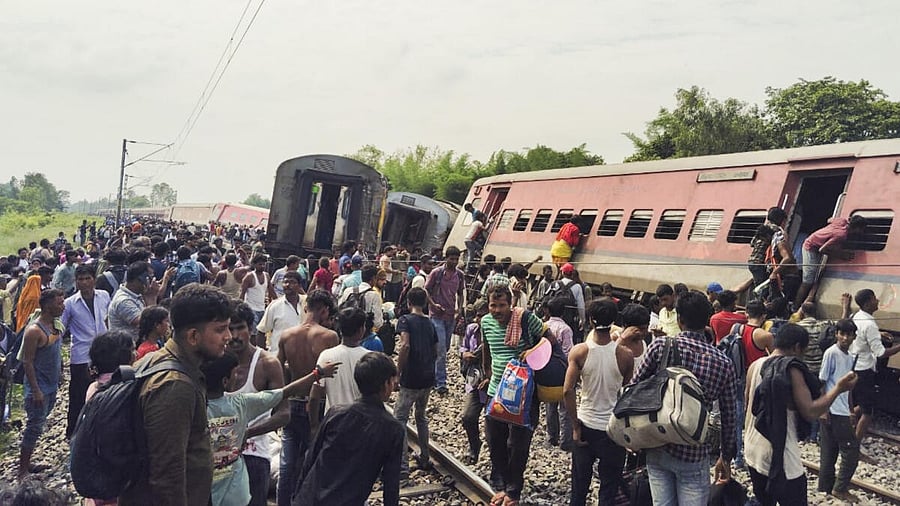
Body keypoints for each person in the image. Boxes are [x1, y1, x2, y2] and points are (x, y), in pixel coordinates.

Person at [120, 284, 232, 505]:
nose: (228, 336)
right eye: (220, 329)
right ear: (193, 336)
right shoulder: (175, 387)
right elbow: (167, 475)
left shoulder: (156, 359)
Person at [631, 291, 738, 505]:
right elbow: (729, 416)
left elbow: (634, 390)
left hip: (658, 443)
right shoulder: (722, 362)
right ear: (707, 321)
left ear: (679, 320)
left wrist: (633, 434)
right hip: (694, 452)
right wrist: (726, 456)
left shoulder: (660, 347)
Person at [203, 349, 337, 506]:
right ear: (225, 381)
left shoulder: (195, 408)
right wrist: (318, 373)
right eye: (235, 374)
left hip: (206, 491)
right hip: (236, 494)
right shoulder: (240, 405)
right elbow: (286, 391)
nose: (238, 377)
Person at [744, 323, 858, 506]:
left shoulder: (755, 366)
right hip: (780, 458)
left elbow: (748, 407)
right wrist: (838, 388)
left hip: (752, 449)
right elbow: (811, 411)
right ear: (797, 347)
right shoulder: (791, 369)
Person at [294, 352, 405, 506]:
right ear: (386, 385)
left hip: (309, 499)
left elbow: (311, 458)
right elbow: (391, 484)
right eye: (393, 381)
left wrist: (297, 495)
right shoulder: (393, 429)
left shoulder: (336, 413)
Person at [480, 285, 548, 506]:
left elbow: (550, 340)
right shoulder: (485, 322)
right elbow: (487, 350)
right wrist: (487, 373)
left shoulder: (525, 318)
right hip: (496, 392)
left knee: (518, 443)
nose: (497, 310)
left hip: (525, 394)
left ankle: (513, 490)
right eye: (493, 305)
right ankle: (500, 484)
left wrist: (531, 351)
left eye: (501, 305)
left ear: (511, 304)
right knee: (495, 439)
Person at [565, 298, 634, 505]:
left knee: (579, 485)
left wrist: (575, 425)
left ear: (591, 321)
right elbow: (626, 392)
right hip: (613, 430)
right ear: (614, 320)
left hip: (586, 425)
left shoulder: (580, 352)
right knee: (609, 486)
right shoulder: (625, 355)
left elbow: (568, 390)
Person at [275, 290, 339, 506]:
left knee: (287, 463)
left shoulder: (286, 335)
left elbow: (279, 371)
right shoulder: (329, 337)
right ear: (324, 310)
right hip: (317, 406)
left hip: (293, 402)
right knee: (316, 461)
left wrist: (282, 399)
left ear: (305, 308)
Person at [17, 289, 65, 479]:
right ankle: (22, 471)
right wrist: (36, 390)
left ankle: (28, 463)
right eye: (59, 303)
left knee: (39, 423)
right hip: (39, 388)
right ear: (47, 306)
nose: (63, 306)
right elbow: (27, 362)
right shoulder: (34, 331)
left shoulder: (55, 325)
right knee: (34, 426)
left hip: (51, 384)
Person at [849, 288, 900, 460]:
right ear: (869, 301)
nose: (878, 300)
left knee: (860, 405)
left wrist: (878, 334)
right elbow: (880, 353)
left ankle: (846, 428)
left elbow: (860, 332)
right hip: (865, 371)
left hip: (854, 367)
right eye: (875, 299)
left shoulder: (857, 316)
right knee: (868, 412)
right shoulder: (869, 324)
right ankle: (854, 448)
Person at [61, 264, 111, 439]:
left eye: (87, 278)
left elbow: (108, 319)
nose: (84, 283)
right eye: (80, 279)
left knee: (103, 389)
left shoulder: (104, 296)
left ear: (94, 280)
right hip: (81, 354)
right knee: (79, 393)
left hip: (104, 351)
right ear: (76, 281)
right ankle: (73, 430)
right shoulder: (70, 304)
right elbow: (61, 327)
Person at [394, 287, 438, 480]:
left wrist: (397, 372)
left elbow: (405, 345)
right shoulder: (430, 323)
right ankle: (425, 456)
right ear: (425, 303)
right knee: (421, 416)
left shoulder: (405, 320)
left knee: (400, 419)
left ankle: (402, 467)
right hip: (427, 377)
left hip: (410, 378)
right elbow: (436, 349)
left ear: (409, 302)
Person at [818, 319, 862, 502]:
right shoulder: (831, 353)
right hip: (833, 410)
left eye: (848, 334)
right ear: (836, 334)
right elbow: (822, 381)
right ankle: (840, 488)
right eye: (841, 333)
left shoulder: (850, 357)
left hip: (842, 410)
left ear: (854, 337)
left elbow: (848, 387)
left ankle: (825, 486)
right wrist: (823, 408)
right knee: (851, 452)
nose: (845, 337)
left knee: (830, 450)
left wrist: (851, 410)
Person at [309, 307, 371, 433]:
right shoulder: (369, 358)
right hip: (362, 426)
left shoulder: (326, 356)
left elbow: (315, 396)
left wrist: (314, 426)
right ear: (361, 330)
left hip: (333, 423)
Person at [796, 215, 867, 306]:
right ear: (857, 228)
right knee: (808, 281)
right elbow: (822, 250)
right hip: (810, 247)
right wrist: (840, 255)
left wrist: (828, 232)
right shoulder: (841, 235)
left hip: (815, 241)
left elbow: (829, 219)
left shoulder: (842, 221)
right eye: (862, 229)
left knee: (815, 277)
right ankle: (795, 305)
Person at [424, 246, 466, 395]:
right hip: (436, 316)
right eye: (451, 258)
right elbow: (425, 290)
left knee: (445, 348)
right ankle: (441, 382)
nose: (454, 261)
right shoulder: (437, 273)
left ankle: (431, 374)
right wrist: (433, 305)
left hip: (450, 316)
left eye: (456, 259)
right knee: (441, 349)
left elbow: (461, 293)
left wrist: (460, 309)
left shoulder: (459, 275)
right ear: (446, 258)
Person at [544, 296, 574, 450]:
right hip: (562, 371)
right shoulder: (565, 329)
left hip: (547, 369)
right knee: (565, 407)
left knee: (551, 404)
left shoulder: (544, 325)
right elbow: (569, 353)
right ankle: (566, 441)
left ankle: (551, 437)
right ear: (563, 312)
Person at [460, 300, 489, 464]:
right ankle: (474, 445)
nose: (479, 319)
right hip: (475, 381)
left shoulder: (496, 333)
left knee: (494, 425)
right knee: (468, 417)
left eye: (482, 315)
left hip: (492, 383)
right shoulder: (472, 330)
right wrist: (465, 354)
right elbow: (463, 347)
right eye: (477, 316)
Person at [107, 261, 162, 342]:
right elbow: (149, 323)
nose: (151, 282)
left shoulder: (137, 294)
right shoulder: (124, 300)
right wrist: (151, 298)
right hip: (125, 348)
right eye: (150, 278)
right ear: (140, 279)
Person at [257, 271, 306, 353]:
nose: (287, 285)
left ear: (299, 286)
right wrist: (264, 355)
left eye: (292, 282)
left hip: (302, 356)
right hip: (278, 356)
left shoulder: (307, 303)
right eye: (285, 282)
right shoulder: (275, 306)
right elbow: (261, 331)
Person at [240, 255, 273, 341]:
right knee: (253, 334)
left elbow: (271, 291)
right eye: (260, 264)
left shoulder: (267, 276)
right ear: (254, 265)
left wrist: (275, 302)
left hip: (262, 309)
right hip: (251, 309)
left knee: (261, 333)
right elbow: (242, 293)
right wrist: (240, 307)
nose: (262, 266)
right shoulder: (249, 277)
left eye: (263, 264)